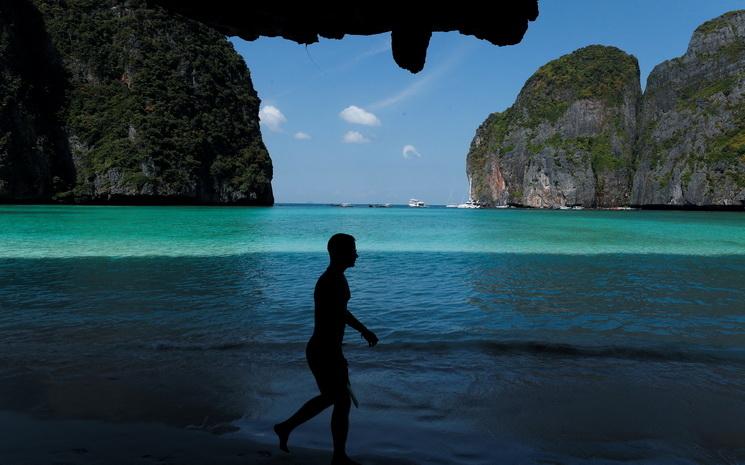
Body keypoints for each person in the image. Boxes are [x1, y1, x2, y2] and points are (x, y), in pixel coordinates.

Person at [274, 233, 379, 465]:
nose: (357, 254)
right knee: (338, 399)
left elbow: (340, 312)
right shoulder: (333, 280)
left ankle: (289, 429)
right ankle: (336, 455)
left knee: (336, 399)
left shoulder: (335, 278)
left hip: (326, 350)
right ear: (340, 253)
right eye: (352, 250)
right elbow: (340, 314)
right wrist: (364, 330)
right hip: (324, 352)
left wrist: (362, 331)